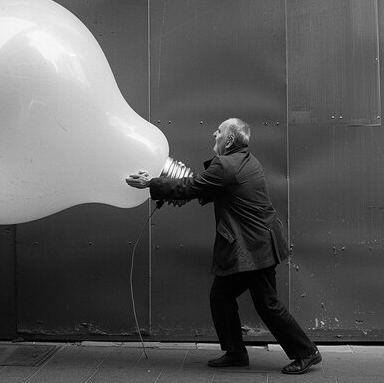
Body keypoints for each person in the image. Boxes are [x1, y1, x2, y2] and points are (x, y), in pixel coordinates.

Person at [126, 118, 321, 375]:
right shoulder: (243, 160)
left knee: (267, 304)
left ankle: (306, 352)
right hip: (256, 243)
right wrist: (165, 184)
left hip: (255, 247)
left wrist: (151, 183)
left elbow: (192, 187)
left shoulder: (226, 165)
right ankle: (235, 352)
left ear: (229, 140)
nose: (214, 134)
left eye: (218, 131)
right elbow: (209, 188)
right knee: (221, 296)